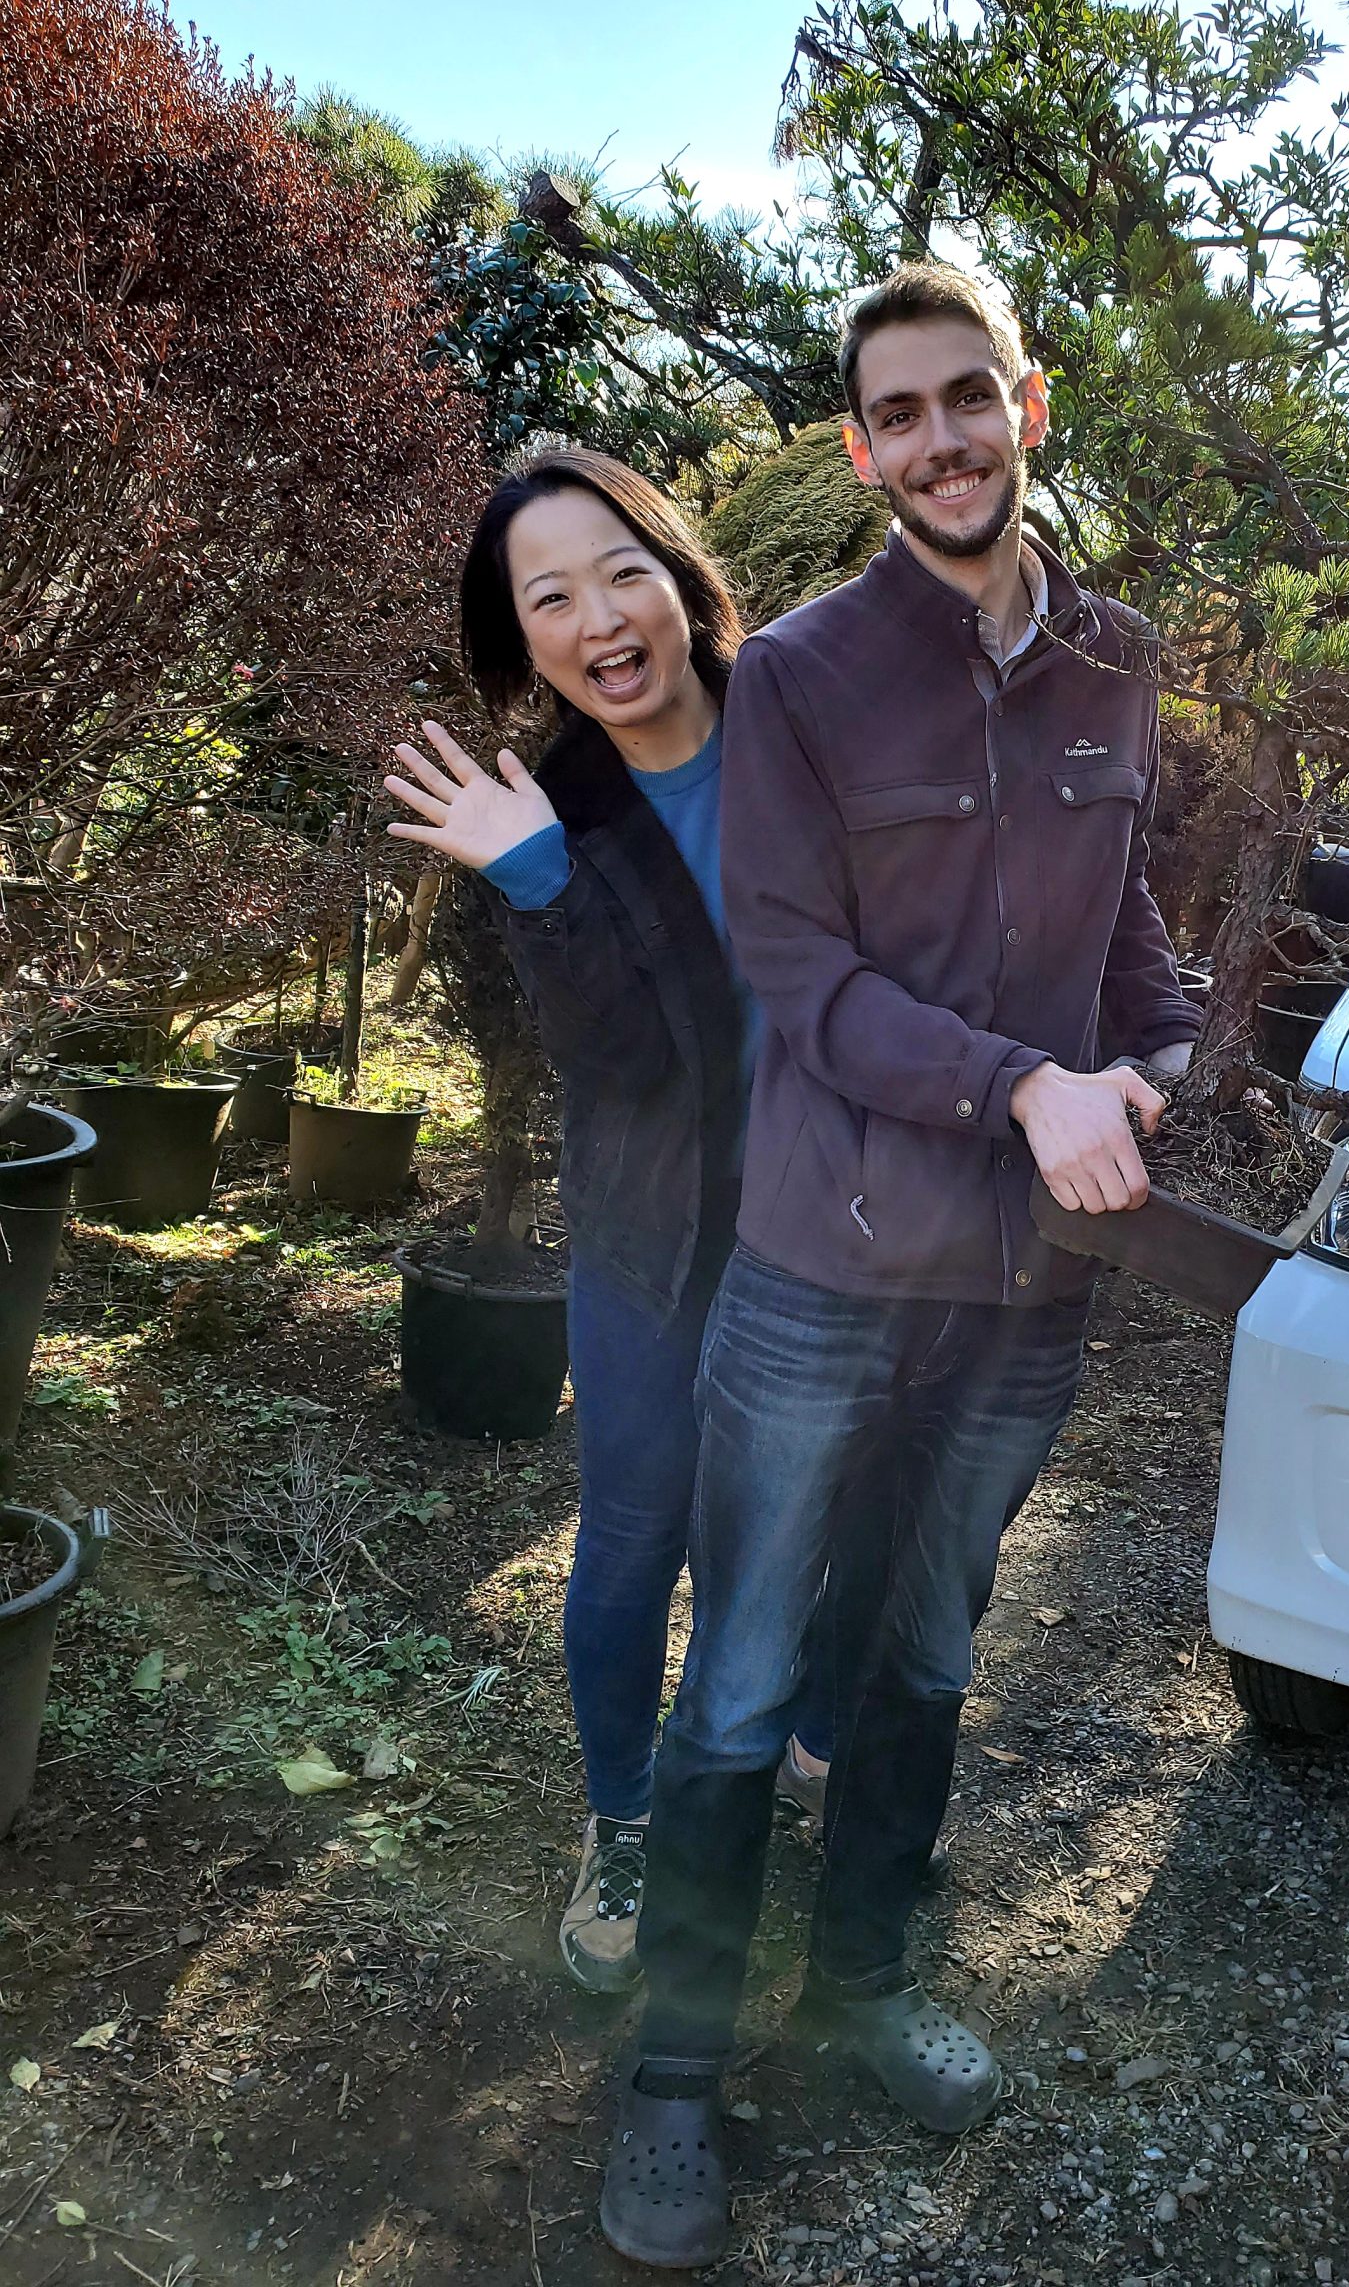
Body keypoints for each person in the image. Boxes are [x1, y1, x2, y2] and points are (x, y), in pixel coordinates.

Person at [606, 265, 1201, 2268]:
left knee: (931, 1647)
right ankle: (674, 2077)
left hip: (1031, 1295)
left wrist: (1171, 1064)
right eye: (902, 413)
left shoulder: (1120, 659)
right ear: (862, 448)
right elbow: (803, 976)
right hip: (822, 1271)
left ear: (1026, 401)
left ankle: (861, 1984)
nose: (944, 438)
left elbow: (1140, 942)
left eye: (973, 397)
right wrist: (1031, 1084)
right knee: (752, 1665)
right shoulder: (794, 675)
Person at [383, 451, 842, 1995]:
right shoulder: (549, 807)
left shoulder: (797, 719)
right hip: (650, 1250)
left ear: (675, 567)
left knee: (788, 1524)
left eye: (617, 570)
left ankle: (791, 1739)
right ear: (524, 644)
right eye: (549, 598)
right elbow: (628, 1064)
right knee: (637, 1537)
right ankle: (629, 1815)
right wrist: (539, 887)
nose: (599, 617)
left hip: (822, 1234)